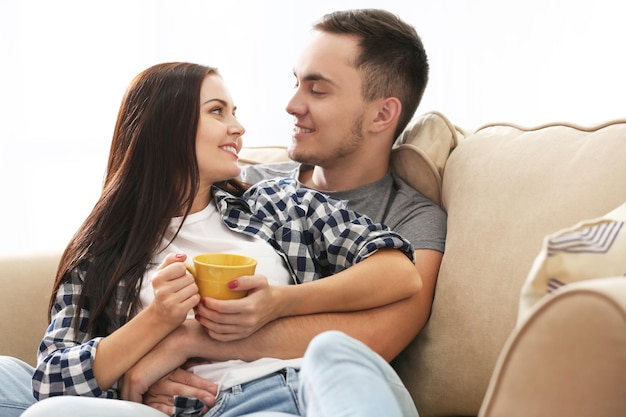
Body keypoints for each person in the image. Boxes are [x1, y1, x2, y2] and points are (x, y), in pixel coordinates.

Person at [0, 8, 445, 416]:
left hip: (288, 385)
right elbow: (53, 375)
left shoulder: (277, 205)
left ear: (382, 114)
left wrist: (233, 321)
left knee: (332, 350)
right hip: (190, 404)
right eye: (219, 111)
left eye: (318, 88)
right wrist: (154, 336)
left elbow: (393, 291)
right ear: (166, 129)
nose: (287, 107)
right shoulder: (254, 184)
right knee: (21, 387)